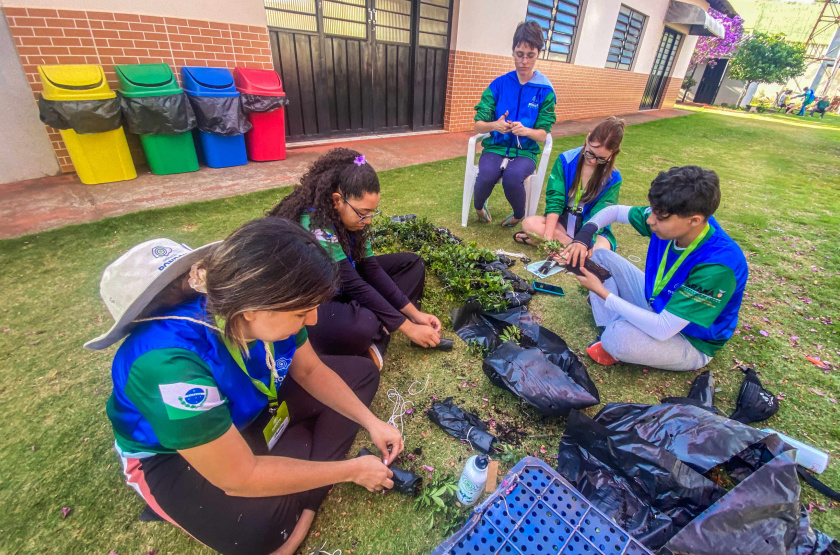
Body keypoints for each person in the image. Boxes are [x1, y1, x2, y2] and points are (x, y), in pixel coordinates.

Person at [85, 218, 403, 555]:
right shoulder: (167, 365)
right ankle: (305, 485)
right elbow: (238, 477)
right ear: (252, 310)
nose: (311, 320)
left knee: (361, 375)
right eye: (302, 313)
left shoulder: (272, 302)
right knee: (259, 528)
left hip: (245, 415)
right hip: (171, 455)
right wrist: (351, 470)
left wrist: (372, 422)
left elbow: (310, 371)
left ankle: (300, 481)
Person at [561, 166, 748, 372]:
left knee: (617, 339)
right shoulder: (674, 215)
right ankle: (617, 323)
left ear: (694, 220)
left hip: (689, 339)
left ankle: (616, 329)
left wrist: (603, 294)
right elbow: (615, 211)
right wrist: (585, 234)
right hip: (656, 302)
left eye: (660, 218)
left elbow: (663, 328)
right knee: (599, 256)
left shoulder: (718, 265)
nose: (650, 220)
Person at [269, 148, 442, 368]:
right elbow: (352, 283)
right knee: (364, 323)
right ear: (337, 200)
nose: (368, 220)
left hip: (344, 284)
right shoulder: (313, 223)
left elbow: (370, 269)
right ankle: (377, 329)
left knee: (412, 264)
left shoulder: (354, 219)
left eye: (372, 212)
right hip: (316, 301)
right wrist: (407, 327)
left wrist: (415, 315)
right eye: (363, 213)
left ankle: (382, 323)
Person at [472, 20, 557, 227]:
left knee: (512, 178)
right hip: (496, 147)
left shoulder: (545, 90)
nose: (524, 61)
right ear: (513, 51)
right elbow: (478, 126)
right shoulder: (499, 84)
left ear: (538, 54)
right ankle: (479, 208)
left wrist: (526, 130)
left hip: (526, 153)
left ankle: (519, 215)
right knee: (486, 175)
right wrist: (495, 126)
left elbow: (543, 135)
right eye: (519, 54)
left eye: (530, 55)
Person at [516, 117, 626, 252]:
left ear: (613, 154)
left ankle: (570, 249)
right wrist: (549, 239)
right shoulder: (565, 160)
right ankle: (575, 252)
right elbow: (555, 200)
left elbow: (601, 215)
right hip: (563, 223)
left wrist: (584, 241)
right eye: (590, 153)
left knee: (601, 249)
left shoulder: (613, 178)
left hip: (589, 231)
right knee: (529, 223)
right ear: (588, 138)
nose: (592, 161)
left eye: (602, 159)